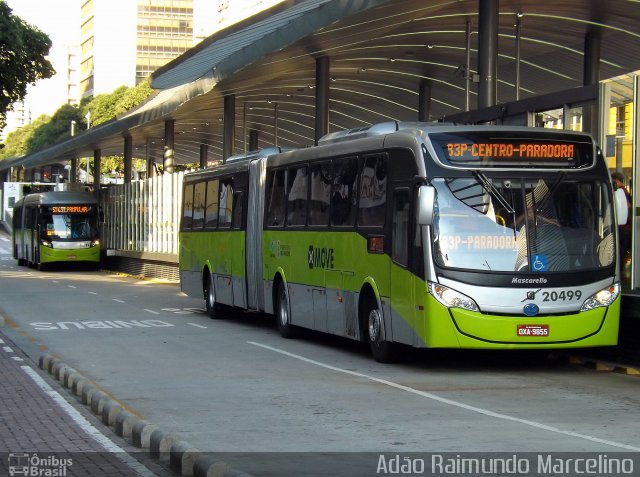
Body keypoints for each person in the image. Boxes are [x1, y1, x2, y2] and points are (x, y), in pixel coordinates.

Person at [611, 171, 632, 271]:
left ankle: (620, 272)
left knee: (620, 252)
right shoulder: (624, 191)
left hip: (623, 227)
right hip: (625, 227)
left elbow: (627, 207)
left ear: (616, 180)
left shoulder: (620, 192)